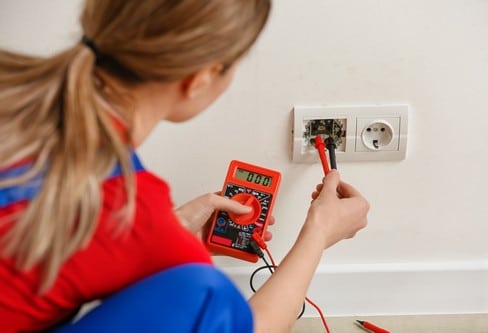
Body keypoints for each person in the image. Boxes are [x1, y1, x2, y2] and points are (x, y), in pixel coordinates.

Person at [0, 0, 369, 332]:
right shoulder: (129, 207)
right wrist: (319, 232)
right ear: (201, 79)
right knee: (205, 297)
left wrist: (170, 233)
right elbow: (255, 327)